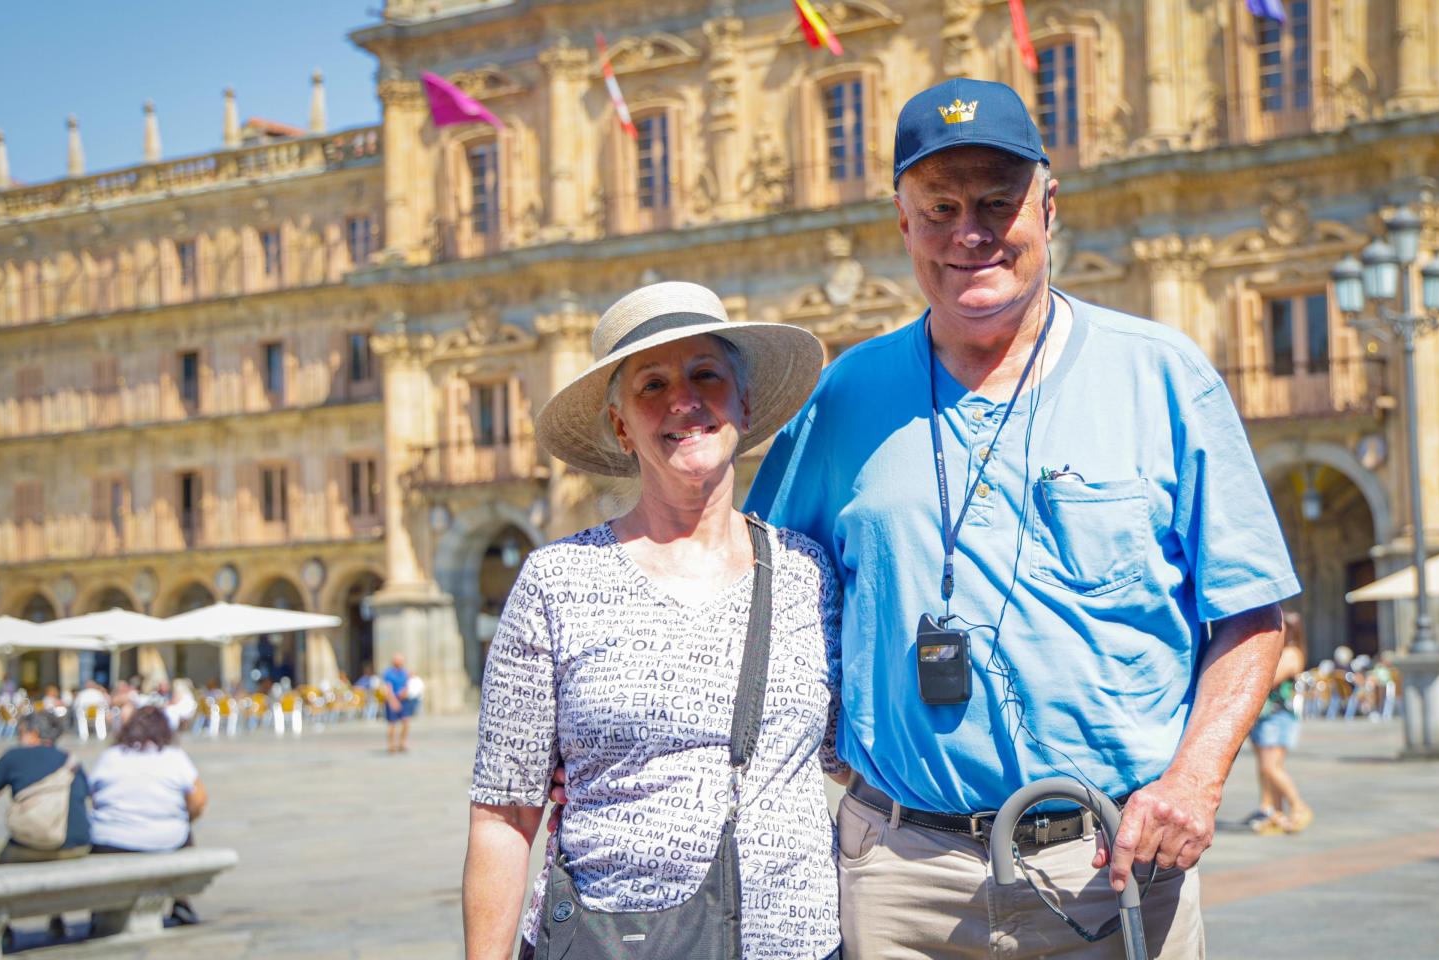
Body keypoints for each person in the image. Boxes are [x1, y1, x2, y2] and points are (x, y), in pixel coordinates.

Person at [746, 78, 1296, 958]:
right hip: (898, 875)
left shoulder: (1162, 377)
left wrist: (1195, 780)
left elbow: (1252, 613)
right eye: (941, 207)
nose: (971, 233)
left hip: (1110, 869)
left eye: (998, 203)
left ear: (1048, 205)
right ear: (904, 223)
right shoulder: (847, 396)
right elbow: (755, 588)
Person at [463, 281, 843, 959]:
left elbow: (859, 756)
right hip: (615, 942)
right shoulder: (557, 582)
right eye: (652, 384)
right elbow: (503, 813)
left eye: (706, 375)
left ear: (743, 404)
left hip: (796, 945)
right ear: (620, 426)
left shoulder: (808, 575)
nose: (684, 401)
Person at [87, 706, 207, 925]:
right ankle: (182, 901)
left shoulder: (110, 757)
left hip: (110, 841)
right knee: (185, 832)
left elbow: (93, 797)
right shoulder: (174, 756)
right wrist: (184, 818)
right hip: (165, 839)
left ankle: (100, 908)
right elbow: (199, 800)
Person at [0, 711, 92, 868]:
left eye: (20, 733)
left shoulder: (14, 756)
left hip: (33, 846)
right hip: (78, 847)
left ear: (33, 733)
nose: (18, 739)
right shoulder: (72, 762)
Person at [1245, 613, 1312, 835]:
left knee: (1271, 767)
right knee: (1268, 767)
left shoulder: (1291, 653)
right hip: (1267, 716)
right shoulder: (1281, 651)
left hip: (1278, 717)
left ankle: (1299, 807)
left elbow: (1271, 678)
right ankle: (1276, 813)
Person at [381, 653, 411, 753]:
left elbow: (406, 684)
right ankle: (391, 744)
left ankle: (402, 742)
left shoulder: (404, 672)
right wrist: (393, 701)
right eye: (399, 660)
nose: (401, 662)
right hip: (392, 699)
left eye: (402, 660)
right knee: (392, 723)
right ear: (394, 661)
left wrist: (405, 692)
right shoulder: (388, 673)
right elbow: (388, 688)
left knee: (406, 722)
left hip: (403, 699)